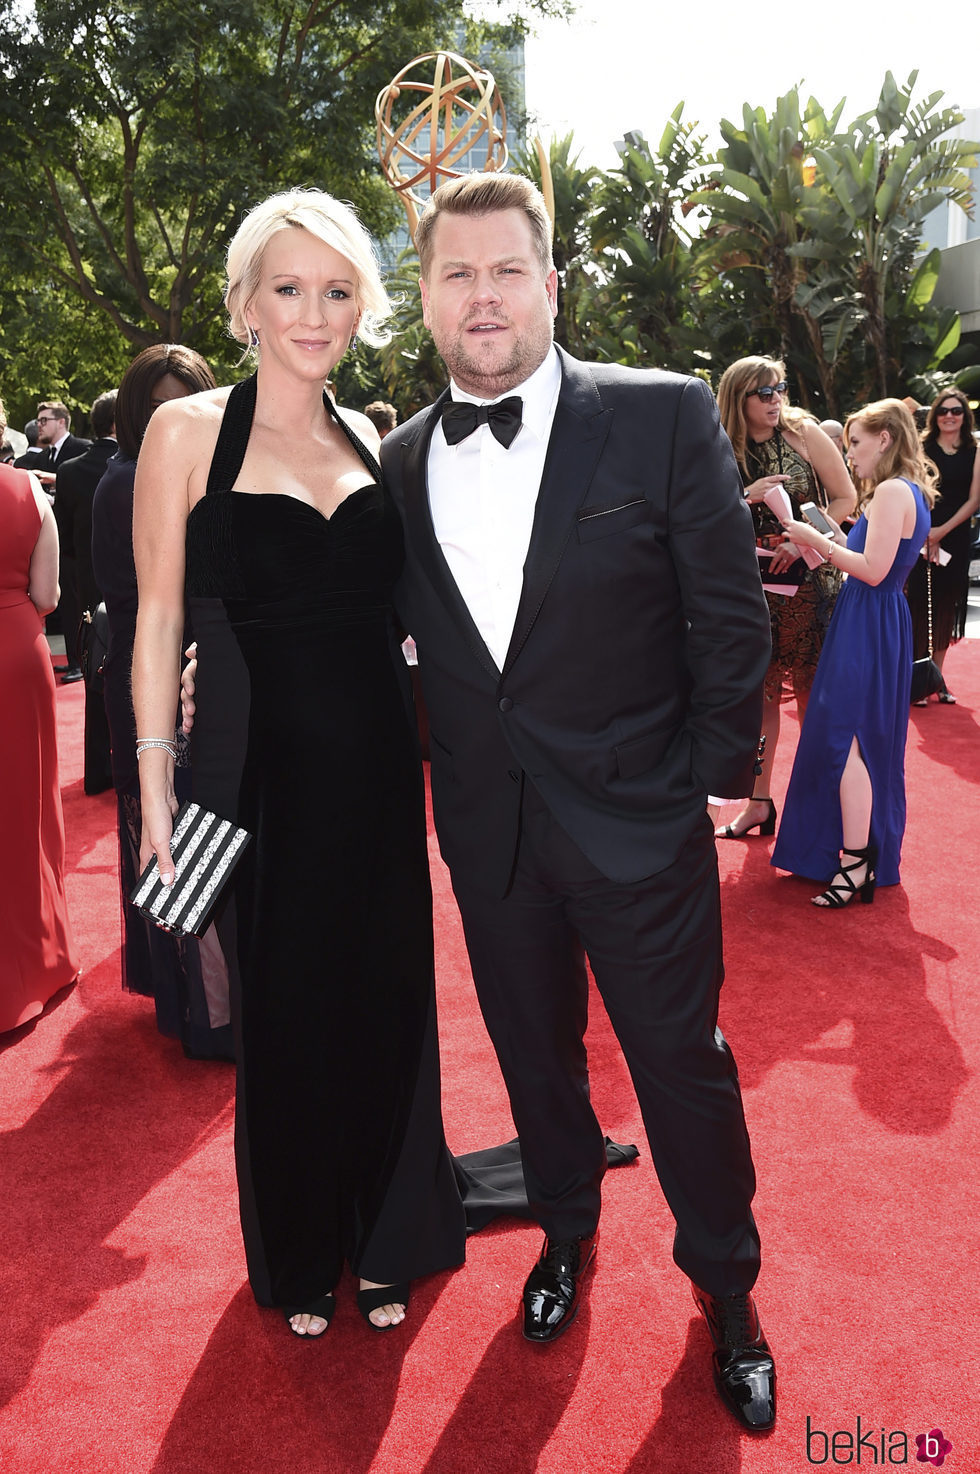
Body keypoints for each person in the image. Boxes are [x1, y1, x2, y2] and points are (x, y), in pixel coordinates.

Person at [380, 173, 776, 1430]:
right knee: (533, 1065)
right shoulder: (394, 461)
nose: (481, 295)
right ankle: (563, 1234)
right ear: (426, 300)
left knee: (681, 1066)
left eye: (506, 270)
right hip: (489, 834)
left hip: (638, 820)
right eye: (456, 273)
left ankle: (728, 1289)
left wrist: (705, 785)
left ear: (551, 285)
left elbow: (727, 616)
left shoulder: (655, 417)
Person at [132, 190, 467, 1338]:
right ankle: (299, 1242)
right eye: (289, 288)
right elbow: (155, 618)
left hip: (380, 773)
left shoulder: (369, 437)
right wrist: (155, 781)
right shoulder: (188, 433)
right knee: (285, 1016)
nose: (313, 313)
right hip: (260, 778)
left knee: (382, 1000)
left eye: (336, 290)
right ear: (244, 302)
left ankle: (388, 1233)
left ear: (360, 306)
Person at [92, 344, 231, 1061]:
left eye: (188, 400)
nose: (173, 419)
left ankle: (196, 1000)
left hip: (180, 670)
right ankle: (201, 1009)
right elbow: (160, 605)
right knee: (172, 829)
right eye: (158, 408)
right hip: (154, 681)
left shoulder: (142, 475)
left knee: (180, 830)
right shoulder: (129, 484)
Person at [771, 399, 934, 904]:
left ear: (885, 439)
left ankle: (855, 863)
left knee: (850, 740)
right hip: (876, 619)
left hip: (869, 619)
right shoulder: (907, 491)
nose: (851, 455)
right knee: (856, 738)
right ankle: (857, 857)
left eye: (857, 444)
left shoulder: (889, 490)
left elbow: (874, 570)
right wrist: (832, 538)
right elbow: (870, 559)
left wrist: (808, 536)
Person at [715, 358, 855, 842]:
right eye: (764, 392)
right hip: (751, 593)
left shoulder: (804, 434)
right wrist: (744, 498)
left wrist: (805, 538)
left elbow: (844, 498)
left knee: (816, 700)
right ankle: (758, 803)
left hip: (813, 586)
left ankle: (819, 810)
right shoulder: (718, 445)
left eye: (781, 389)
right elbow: (699, 514)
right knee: (761, 701)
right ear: (739, 398)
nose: (776, 399)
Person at [0, 394, 78, 1032]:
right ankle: (38, 959)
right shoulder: (28, 491)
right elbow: (48, 595)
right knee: (23, 805)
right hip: (15, 655)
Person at [54, 389, 117, 793]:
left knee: (96, 677)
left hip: (87, 587)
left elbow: (65, 539)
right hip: (131, 584)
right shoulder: (134, 463)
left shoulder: (72, 470)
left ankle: (96, 773)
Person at [904, 387, 980, 704]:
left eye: (956, 411)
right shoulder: (921, 448)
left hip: (956, 534)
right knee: (919, 603)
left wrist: (943, 531)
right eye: (944, 410)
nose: (949, 416)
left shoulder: (975, 451)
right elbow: (914, 490)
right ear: (935, 416)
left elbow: (975, 499)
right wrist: (927, 532)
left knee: (947, 604)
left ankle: (938, 678)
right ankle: (917, 680)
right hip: (921, 531)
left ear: (965, 416)